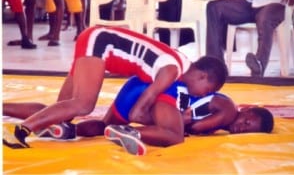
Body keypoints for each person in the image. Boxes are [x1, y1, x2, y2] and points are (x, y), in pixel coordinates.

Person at [2, 25, 228, 150]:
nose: (204, 95)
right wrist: (164, 124)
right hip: (101, 43)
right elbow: (136, 112)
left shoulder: (177, 62)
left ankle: (4, 108)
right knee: (84, 105)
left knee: (62, 109)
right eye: (207, 89)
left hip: (97, 39)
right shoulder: (172, 71)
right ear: (202, 76)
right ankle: (22, 131)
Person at [3, 75, 273, 155]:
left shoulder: (209, 96)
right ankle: (130, 133)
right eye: (248, 122)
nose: (242, 128)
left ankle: (67, 130)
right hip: (159, 95)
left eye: (249, 130)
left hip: (138, 86)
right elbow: (198, 127)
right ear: (246, 110)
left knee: (101, 123)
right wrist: (190, 125)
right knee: (175, 135)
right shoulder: (228, 110)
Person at [206, 0, 294, 77]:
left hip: (275, 4)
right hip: (251, 3)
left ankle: (259, 64)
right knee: (214, 7)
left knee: (264, 19)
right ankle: (215, 66)